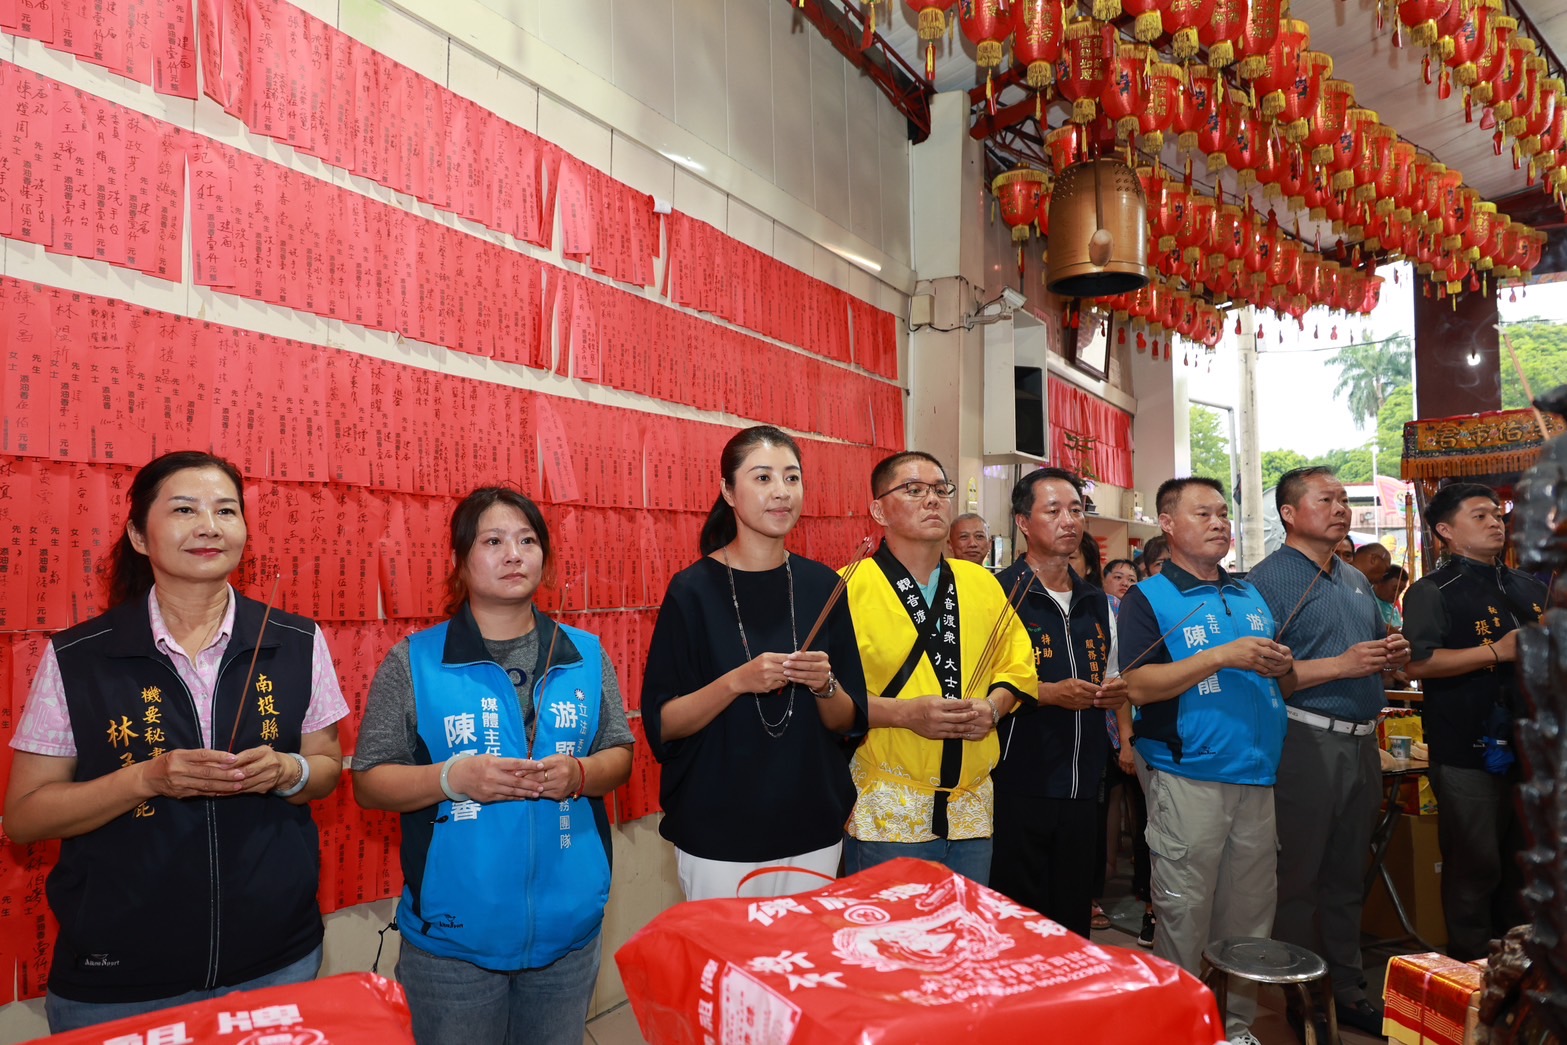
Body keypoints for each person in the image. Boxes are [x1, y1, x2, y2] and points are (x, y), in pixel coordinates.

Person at [5, 451, 347, 1033]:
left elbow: (328, 767)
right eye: (185, 509)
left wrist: (288, 772)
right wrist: (146, 778)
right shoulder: (78, 657)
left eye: (226, 511)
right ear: (140, 535)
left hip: (276, 961)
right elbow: (24, 817)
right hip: (120, 981)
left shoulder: (295, 640)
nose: (209, 526)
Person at [353, 487, 634, 1044]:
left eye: (528, 540)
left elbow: (619, 754)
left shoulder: (585, 653)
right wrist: (449, 779)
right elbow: (369, 782)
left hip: (569, 931)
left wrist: (579, 776)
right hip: (453, 945)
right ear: (460, 561)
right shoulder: (414, 661)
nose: (514, 554)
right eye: (494, 541)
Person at [642, 426, 867, 900]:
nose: (781, 492)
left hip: (811, 824)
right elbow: (663, 723)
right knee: (727, 971)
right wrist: (736, 682)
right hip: (718, 830)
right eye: (762, 478)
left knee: (801, 970)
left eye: (791, 477)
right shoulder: (692, 591)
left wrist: (825, 686)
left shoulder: (822, 585)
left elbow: (849, 721)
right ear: (728, 491)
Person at [1120, 477, 1296, 1045]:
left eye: (1224, 513)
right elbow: (1139, 685)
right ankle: (1180, 1029)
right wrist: (1223, 655)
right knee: (1185, 913)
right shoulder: (1149, 598)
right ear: (1167, 523)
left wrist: (1278, 663)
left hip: (1257, 774)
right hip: (1187, 773)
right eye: (1204, 513)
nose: (1220, 522)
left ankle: (1236, 1028)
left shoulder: (1248, 595)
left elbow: (1280, 680)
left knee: (1248, 920)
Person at [1246, 467, 1411, 1037]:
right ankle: (1298, 995)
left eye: (1344, 499)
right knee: (1300, 877)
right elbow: (1266, 679)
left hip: (1363, 742)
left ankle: (1347, 988)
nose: (1341, 508)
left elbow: (1364, 653)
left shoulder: (1355, 578)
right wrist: (1343, 665)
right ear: (1290, 513)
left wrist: (1391, 654)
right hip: (1305, 739)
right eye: (1327, 500)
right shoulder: (1266, 582)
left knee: (1346, 874)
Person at [841, 451, 1035, 884]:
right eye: (913, 490)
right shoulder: (848, 587)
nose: (932, 500)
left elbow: (1018, 664)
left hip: (971, 805)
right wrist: (906, 714)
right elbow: (829, 699)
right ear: (878, 509)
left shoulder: (981, 582)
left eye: (939, 489)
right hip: (889, 802)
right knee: (892, 946)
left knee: (963, 944)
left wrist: (994, 708)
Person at [1402, 482, 1546, 961]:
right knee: (1474, 865)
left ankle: (1522, 968)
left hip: (1532, 747)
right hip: (1468, 747)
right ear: (1445, 531)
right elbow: (1417, 665)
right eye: (1479, 516)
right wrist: (1494, 651)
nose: (1495, 523)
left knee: (1524, 864)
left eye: (1497, 514)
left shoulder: (1527, 586)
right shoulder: (1430, 590)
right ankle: (1470, 969)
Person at [990, 469, 1127, 937]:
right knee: (1016, 918)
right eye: (1054, 511)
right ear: (1024, 521)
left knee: (1070, 918)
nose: (1069, 521)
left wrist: (1113, 692)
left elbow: (1110, 672)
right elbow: (976, 687)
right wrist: (1047, 694)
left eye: (1076, 510)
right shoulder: (998, 593)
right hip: (1018, 779)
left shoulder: (1096, 600)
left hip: (1085, 783)